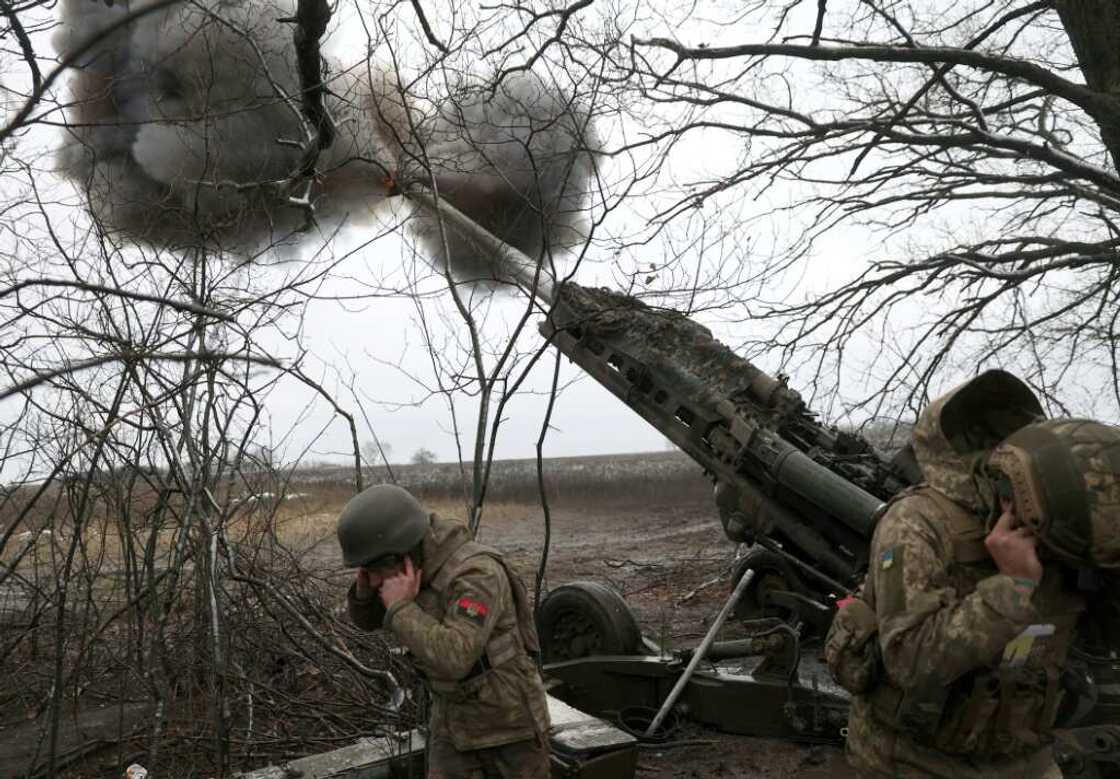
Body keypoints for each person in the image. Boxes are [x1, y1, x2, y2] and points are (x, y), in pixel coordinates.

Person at [825, 370, 1120, 777]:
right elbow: (909, 661)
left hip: (1026, 755)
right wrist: (1013, 587)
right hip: (915, 760)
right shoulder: (916, 523)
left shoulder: (1068, 521)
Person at [337, 484, 551, 778]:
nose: (374, 581)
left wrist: (400, 608)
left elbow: (454, 657)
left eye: (374, 570)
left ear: (398, 556)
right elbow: (368, 621)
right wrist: (364, 595)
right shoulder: (412, 564)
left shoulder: (477, 574)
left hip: (509, 728)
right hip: (451, 724)